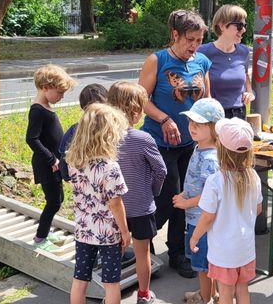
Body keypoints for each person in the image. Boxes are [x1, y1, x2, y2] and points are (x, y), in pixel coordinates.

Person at [139, 9, 211, 278]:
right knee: (168, 196)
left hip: (192, 144)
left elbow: (207, 102)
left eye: (199, 40)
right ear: (175, 35)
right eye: (189, 40)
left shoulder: (202, 62)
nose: (194, 46)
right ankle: (141, 244)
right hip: (159, 143)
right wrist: (165, 119)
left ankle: (178, 253)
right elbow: (141, 99)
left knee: (187, 197)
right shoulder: (157, 61)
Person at [189, 117, 262, 304]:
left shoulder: (215, 181)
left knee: (225, 293)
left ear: (221, 149)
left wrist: (195, 237)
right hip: (245, 248)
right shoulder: (253, 175)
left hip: (224, 251)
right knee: (242, 288)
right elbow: (258, 208)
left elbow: (207, 217)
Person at [107, 81, 167, 304]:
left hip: (112, 208)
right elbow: (161, 170)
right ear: (134, 111)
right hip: (141, 206)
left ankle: (111, 295)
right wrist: (152, 191)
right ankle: (143, 294)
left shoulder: (104, 139)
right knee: (143, 253)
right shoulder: (143, 139)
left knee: (113, 253)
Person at [65, 103, 130, 304]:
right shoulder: (110, 168)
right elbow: (115, 203)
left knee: (80, 278)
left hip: (83, 229)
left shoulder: (73, 161)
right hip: (108, 233)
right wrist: (125, 232)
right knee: (111, 283)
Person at [172, 98, 225, 304]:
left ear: (214, 128)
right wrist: (185, 194)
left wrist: (186, 203)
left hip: (202, 220)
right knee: (207, 264)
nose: (192, 127)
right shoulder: (200, 147)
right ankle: (212, 294)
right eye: (190, 122)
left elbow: (209, 194)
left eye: (199, 124)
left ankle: (206, 297)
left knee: (204, 266)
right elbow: (197, 183)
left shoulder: (210, 158)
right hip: (198, 217)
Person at [26, 64, 76, 253]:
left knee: (58, 198)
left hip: (54, 164)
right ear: (45, 87)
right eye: (60, 92)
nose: (62, 97)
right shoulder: (37, 110)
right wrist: (51, 159)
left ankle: (45, 232)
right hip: (46, 165)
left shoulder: (45, 106)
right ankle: (40, 238)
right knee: (54, 201)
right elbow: (31, 139)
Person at [198, 4, 255, 119]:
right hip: (213, 115)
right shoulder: (203, 52)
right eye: (239, 25)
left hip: (239, 114)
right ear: (222, 26)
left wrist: (250, 93)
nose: (243, 29)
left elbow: (245, 75)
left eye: (245, 25)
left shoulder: (243, 51)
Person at [59, 83, 108, 181]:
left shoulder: (74, 130)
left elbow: (64, 162)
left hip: (82, 188)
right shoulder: (113, 131)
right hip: (109, 186)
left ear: (82, 106)